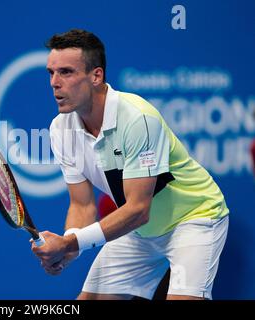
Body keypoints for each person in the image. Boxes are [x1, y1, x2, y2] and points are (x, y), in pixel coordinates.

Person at [31, 29, 229, 300]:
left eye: (66, 72)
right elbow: (82, 205)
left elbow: (138, 209)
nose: (55, 82)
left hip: (193, 219)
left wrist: (70, 242)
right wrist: (69, 248)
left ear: (96, 75)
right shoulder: (60, 129)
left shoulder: (138, 118)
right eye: (51, 73)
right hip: (140, 231)